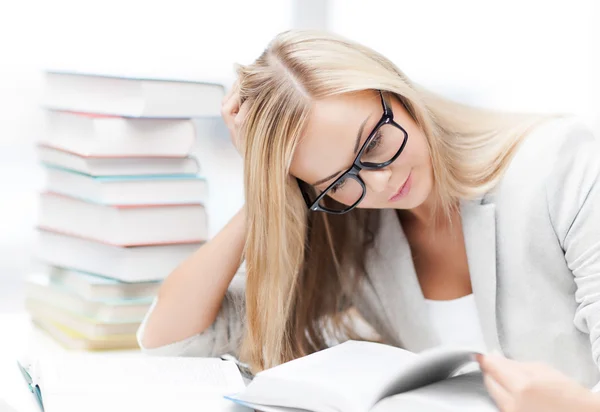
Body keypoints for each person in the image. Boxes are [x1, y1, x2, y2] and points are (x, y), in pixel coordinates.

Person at [136, 30, 600, 409]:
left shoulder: (561, 164)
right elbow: (171, 338)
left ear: (397, 94)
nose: (377, 185)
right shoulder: (353, 233)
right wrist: (265, 191)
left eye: (373, 144)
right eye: (339, 180)